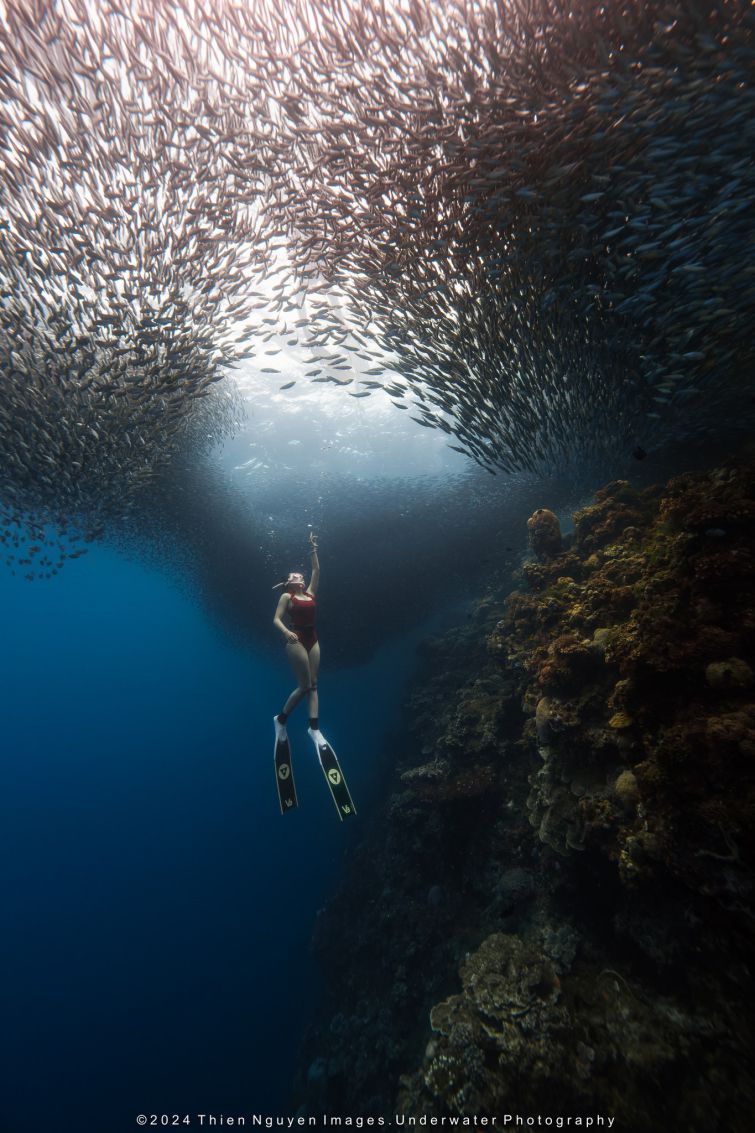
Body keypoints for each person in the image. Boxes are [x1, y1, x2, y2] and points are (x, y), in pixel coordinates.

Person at [273, 531, 321, 742]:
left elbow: (316, 569)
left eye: (299, 575)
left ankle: (314, 729)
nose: (299, 576)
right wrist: (286, 632)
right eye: (295, 575)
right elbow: (276, 619)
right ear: (289, 583)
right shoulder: (287, 596)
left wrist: (313, 548)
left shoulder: (310, 593)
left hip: (313, 638)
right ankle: (280, 720)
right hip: (296, 639)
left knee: (314, 684)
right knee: (304, 686)